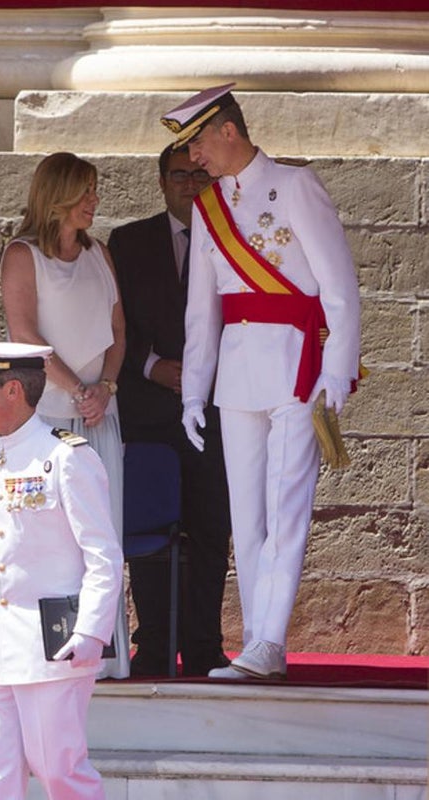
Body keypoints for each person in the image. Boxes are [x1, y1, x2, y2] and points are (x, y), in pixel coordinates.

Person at [161, 84, 361, 680]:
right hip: (237, 373)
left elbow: (339, 288)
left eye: (197, 142)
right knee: (245, 516)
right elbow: (202, 312)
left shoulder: (295, 186)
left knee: (285, 509)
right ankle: (256, 639)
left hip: (297, 368)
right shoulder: (208, 208)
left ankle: (270, 639)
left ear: (228, 130)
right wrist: (194, 391)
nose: (193, 157)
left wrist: (337, 368)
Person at [0, 339, 121, 800]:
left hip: (51, 647)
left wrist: (91, 631)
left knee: (59, 771)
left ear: (13, 390)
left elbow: (102, 554)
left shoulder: (66, 457)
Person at [0, 152, 130, 679]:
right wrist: (78, 390)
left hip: (99, 414)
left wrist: (105, 388)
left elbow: (117, 331)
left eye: (94, 190)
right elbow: (25, 333)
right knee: (49, 537)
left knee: (101, 534)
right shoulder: (22, 254)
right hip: (46, 418)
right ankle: (48, 654)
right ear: (57, 197)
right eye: (84, 191)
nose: (93, 201)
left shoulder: (100, 253)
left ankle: (101, 654)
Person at [107, 144, 233, 677]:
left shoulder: (238, 240)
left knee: (210, 529)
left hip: (218, 410)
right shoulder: (128, 242)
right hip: (149, 408)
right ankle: (155, 642)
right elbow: (113, 323)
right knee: (150, 528)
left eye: (200, 175)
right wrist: (152, 365)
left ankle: (204, 645)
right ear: (161, 182)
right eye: (179, 175)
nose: (190, 185)